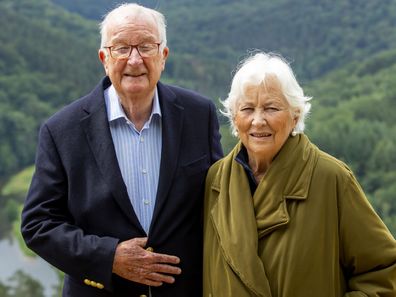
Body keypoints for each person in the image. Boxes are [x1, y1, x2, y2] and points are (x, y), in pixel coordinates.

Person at [21, 3, 223, 297]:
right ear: (104, 58)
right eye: (121, 48)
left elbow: (221, 201)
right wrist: (108, 256)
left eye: (146, 47)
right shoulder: (61, 130)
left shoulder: (198, 115)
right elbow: (38, 224)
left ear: (163, 56)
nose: (135, 60)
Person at [203, 52, 396, 296]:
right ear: (234, 117)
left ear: (295, 115)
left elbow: (383, 270)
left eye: (271, 108)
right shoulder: (216, 180)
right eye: (247, 109)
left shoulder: (331, 178)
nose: (258, 121)